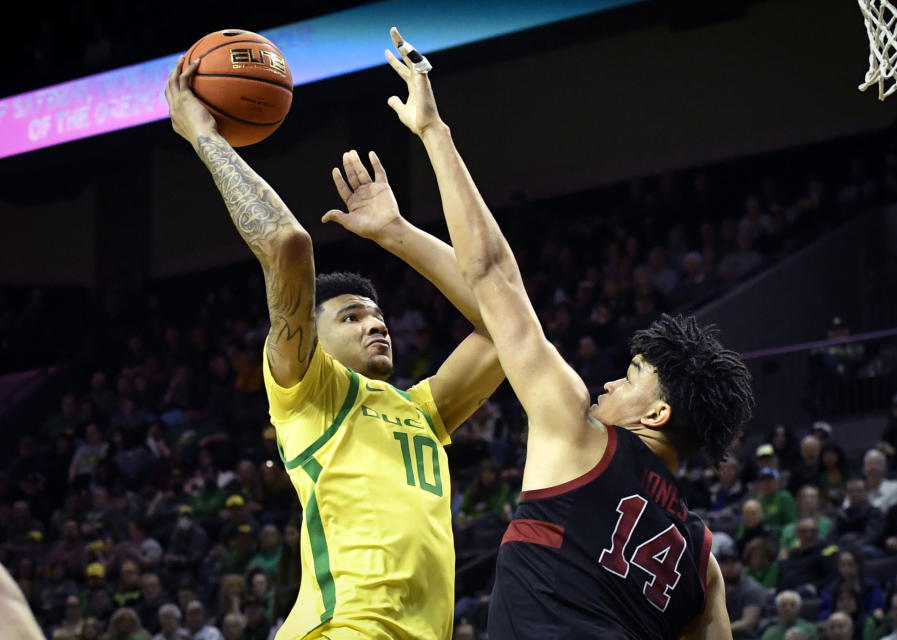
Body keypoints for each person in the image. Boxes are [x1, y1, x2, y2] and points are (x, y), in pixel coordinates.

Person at [381, 26, 753, 638]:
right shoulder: (702, 562)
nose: (609, 381)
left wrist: (433, 130)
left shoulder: (579, 433)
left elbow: (494, 273)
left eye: (633, 376)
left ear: (657, 414)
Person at [164, 48, 504, 640]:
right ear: (310, 339)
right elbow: (288, 245)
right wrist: (201, 133)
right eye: (350, 317)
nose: (376, 324)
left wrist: (397, 234)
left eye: (377, 315)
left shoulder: (421, 412)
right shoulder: (311, 392)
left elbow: (507, 325)